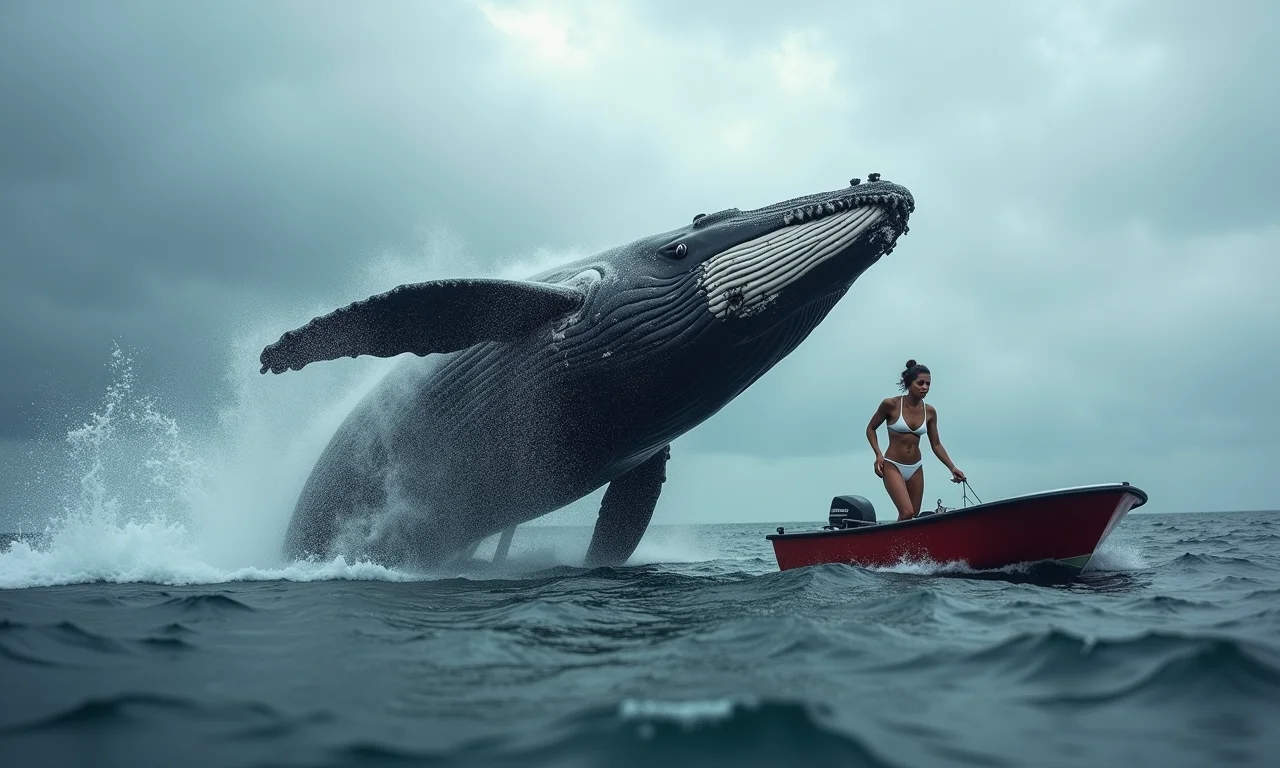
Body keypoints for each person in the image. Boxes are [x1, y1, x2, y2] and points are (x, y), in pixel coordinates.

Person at [865, 359, 966, 520]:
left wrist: (952, 467)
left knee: (914, 516)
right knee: (906, 512)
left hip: (915, 467)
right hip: (893, 465)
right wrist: (878, 454)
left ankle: (904, 546)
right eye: (920, 383)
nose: (925, 387)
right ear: (909, 383)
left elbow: (936, 444)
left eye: (928, 384)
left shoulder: (930, 411)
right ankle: (894, 545)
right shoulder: (891, 404)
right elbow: (870, 429)